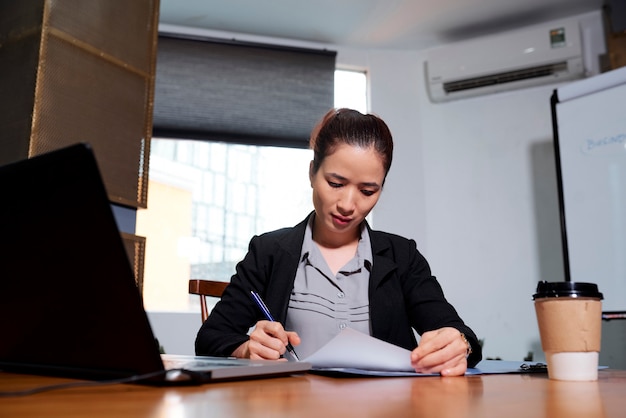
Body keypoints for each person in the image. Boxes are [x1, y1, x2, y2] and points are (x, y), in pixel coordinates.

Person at [195, 108, 482, 376]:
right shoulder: (269, 252)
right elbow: (211, 337)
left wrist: (459, 345)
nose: (348, 204)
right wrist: (246, 348)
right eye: (336, 184)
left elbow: (457, 332)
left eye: (368, 191)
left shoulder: (401, 256)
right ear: (312, 173)